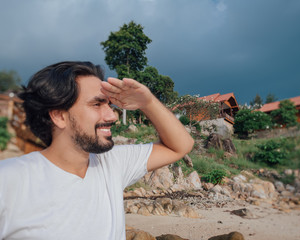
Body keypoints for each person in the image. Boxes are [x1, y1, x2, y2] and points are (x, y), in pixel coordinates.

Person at [0, 61, 194, 239]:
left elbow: (181, 146)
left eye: (109, 104)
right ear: (59, 116)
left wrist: (148, 103)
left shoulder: (112, 163)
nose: (112, 116)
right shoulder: (9, 179)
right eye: (96, 104)